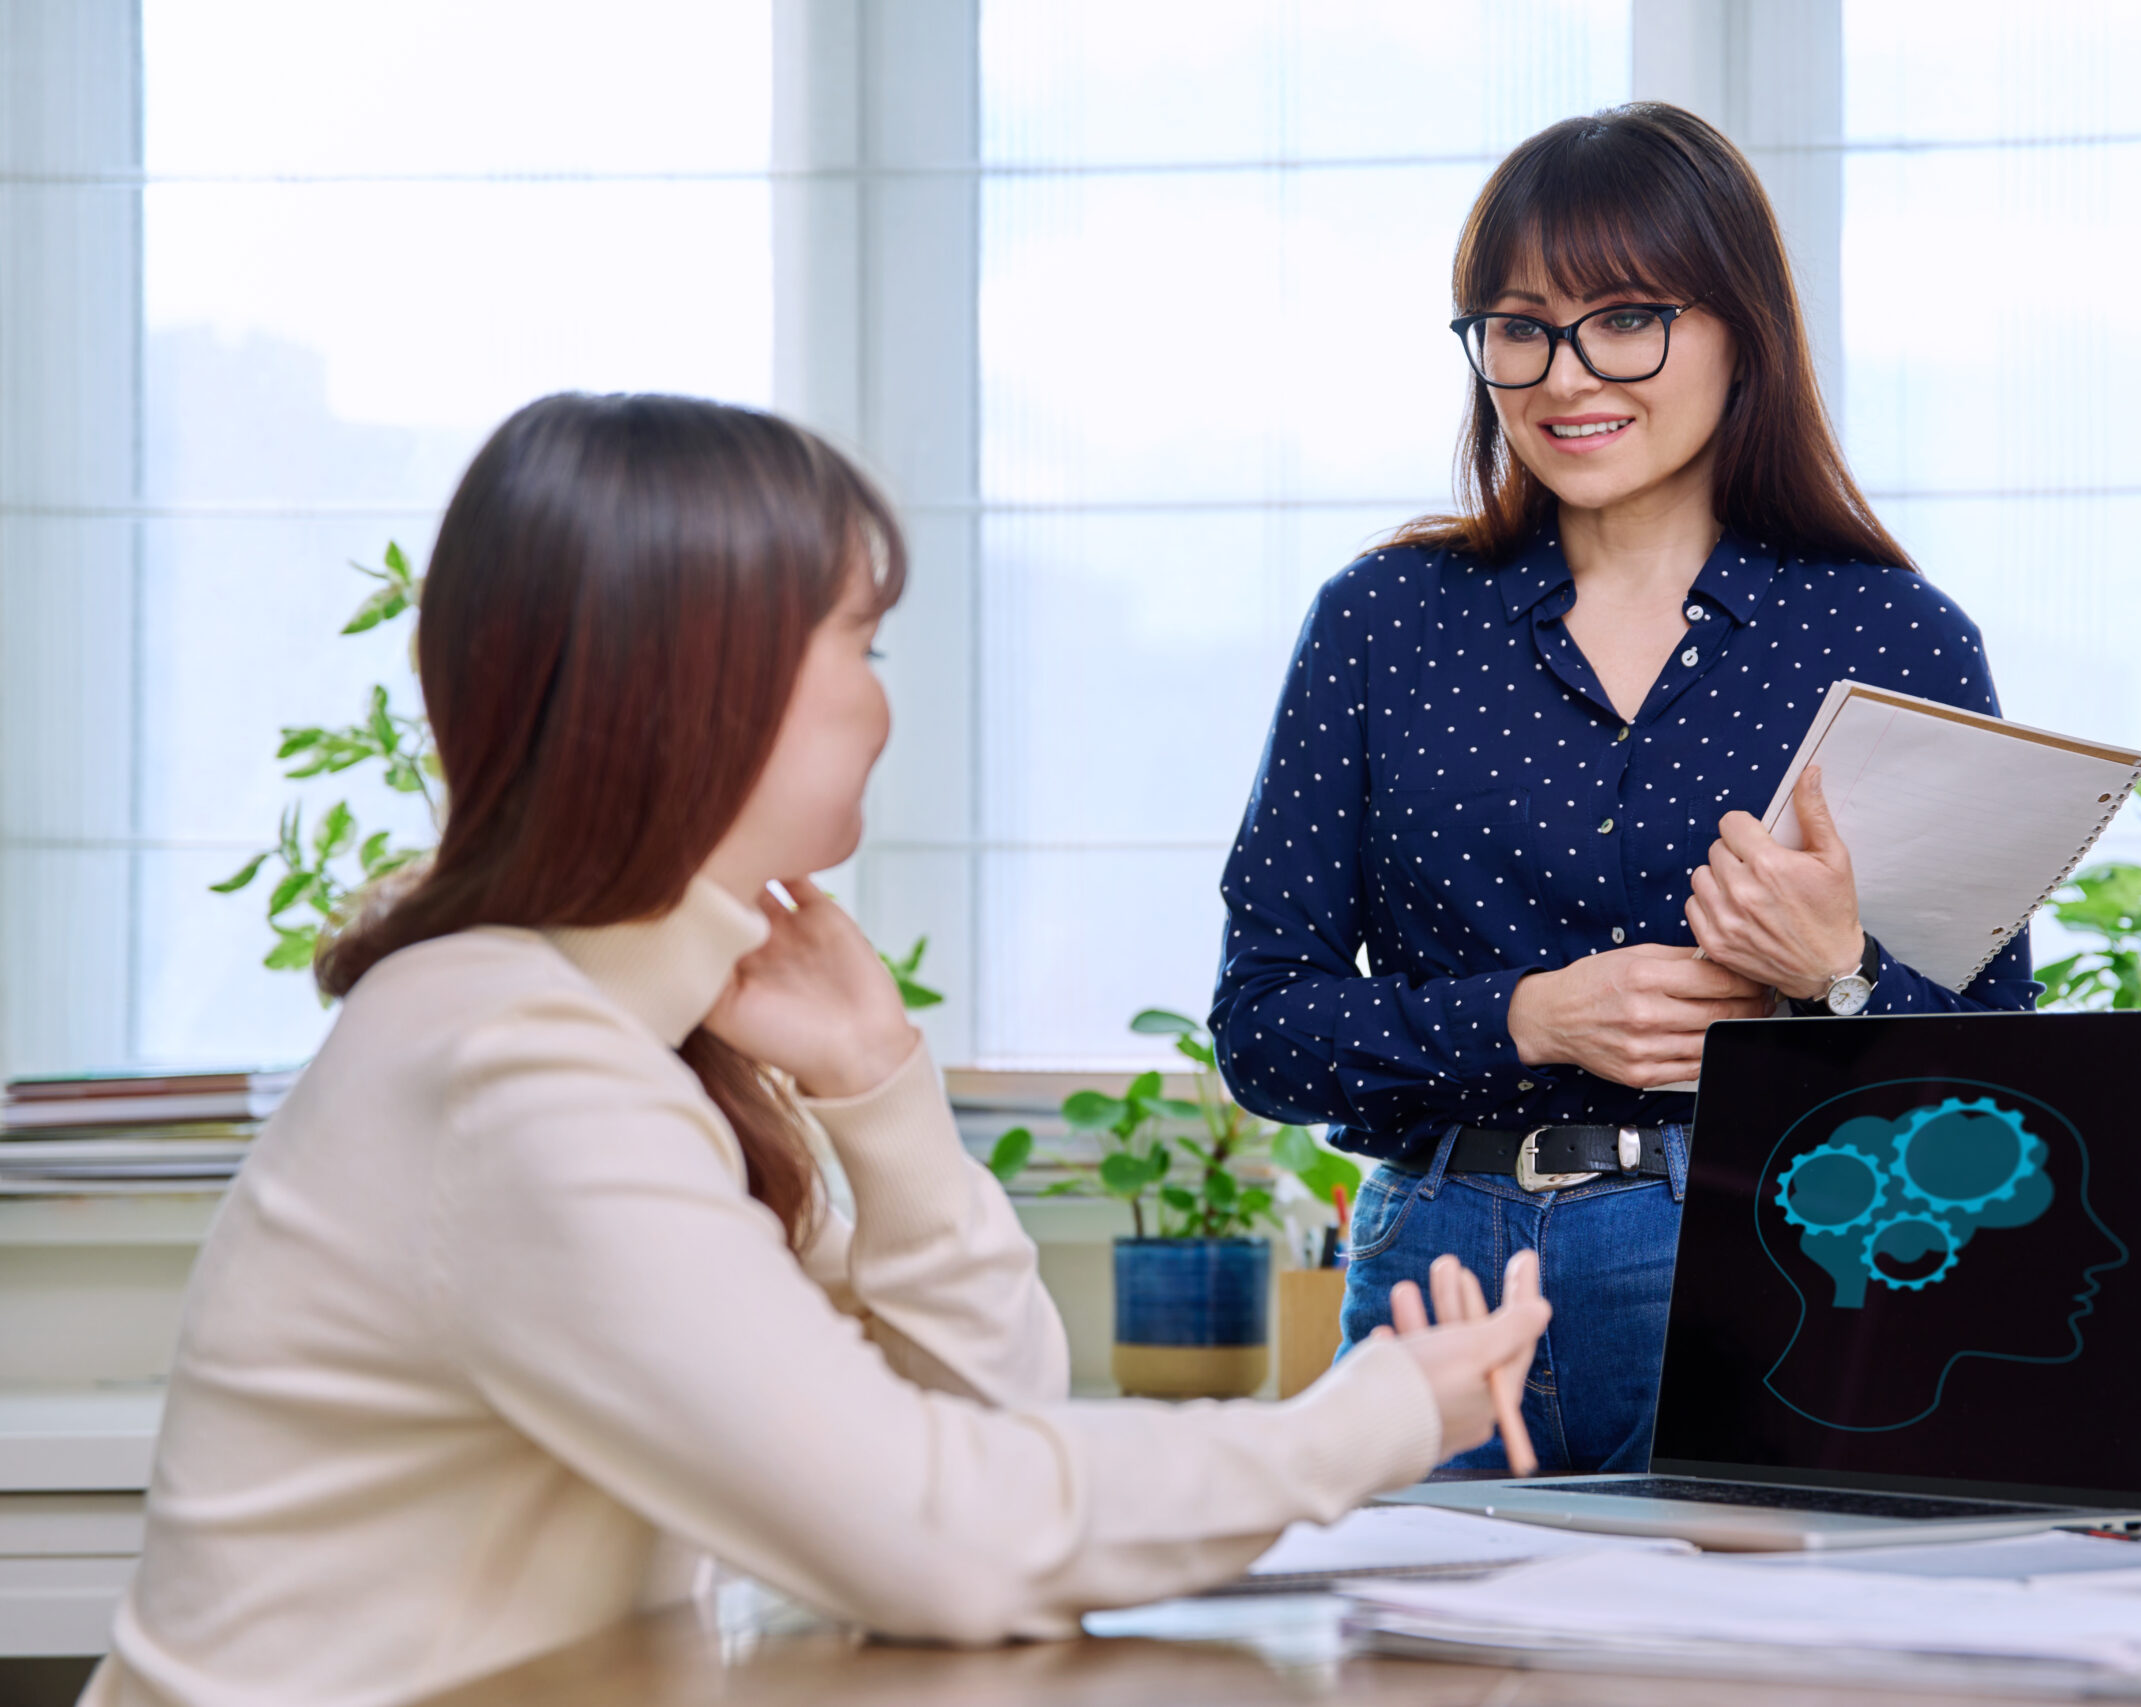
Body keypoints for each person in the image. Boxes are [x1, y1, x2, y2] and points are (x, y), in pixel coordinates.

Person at [83, 393, 1547, 1707]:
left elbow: (989, 1425)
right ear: (701, 686)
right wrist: (1352, 1427)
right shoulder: (511, 1066)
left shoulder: (629, 1032)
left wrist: (879, 1092)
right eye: (865, 640)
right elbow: (937, 1539)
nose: (883, 699)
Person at [1209, 102, 2034, 1476]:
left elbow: (2005, 1088)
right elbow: (1264, 1025)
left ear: (1739, 331)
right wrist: (1529, 1016)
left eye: (1628, 317)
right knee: (1418, 1681)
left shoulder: (1893, 640)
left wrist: (1833, 975)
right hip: (1443, 1281)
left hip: (1763, 1265)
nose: (1564, 372)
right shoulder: (1384, 619)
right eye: (1519, 326)